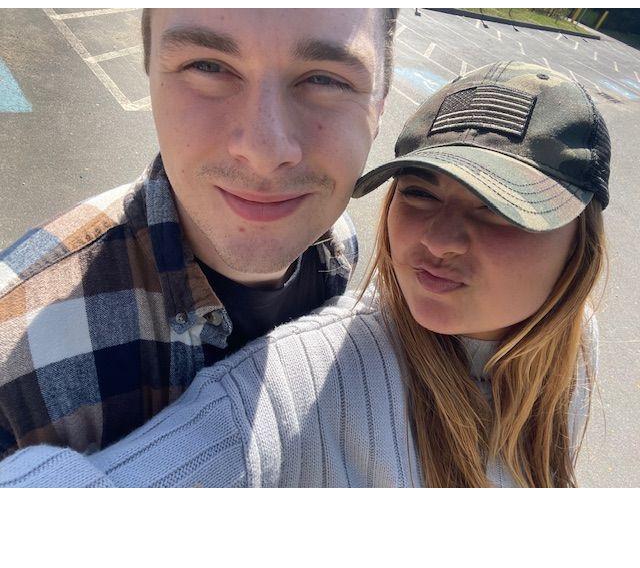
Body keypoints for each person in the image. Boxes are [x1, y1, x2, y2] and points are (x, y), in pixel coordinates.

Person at [0, 61, 610, 487]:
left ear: (578, 246)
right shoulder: (306, 380)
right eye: (420, 192)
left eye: (500, 208)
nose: (438, 239)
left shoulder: (573, 343)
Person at [0, 9, 398, 459]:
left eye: (325, 80)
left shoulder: (337, 245)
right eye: (208, 66)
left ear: (380, 105)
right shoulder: (14, 372)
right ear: (151, 77)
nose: (264, 152)